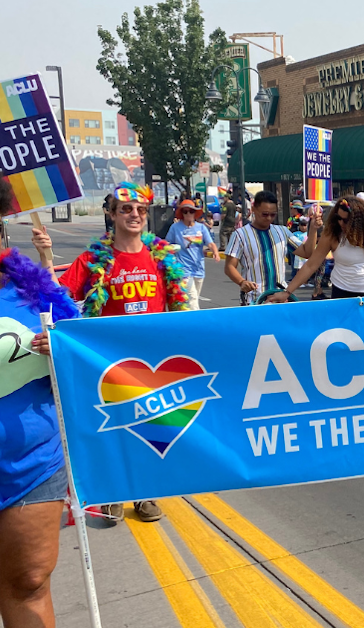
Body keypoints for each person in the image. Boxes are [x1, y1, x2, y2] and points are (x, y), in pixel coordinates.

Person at [43, 182, 192, 523]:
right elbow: (56, 296)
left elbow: (180, 307)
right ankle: (111, 493)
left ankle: (145, 494)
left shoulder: (162, 255)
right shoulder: (94, 259)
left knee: (152, 428)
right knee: (114, 429)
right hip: (107, 359)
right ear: (112, 215)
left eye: (140, 209)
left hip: (153, 359)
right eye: (126, 209)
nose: (135, 215)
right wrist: (46, 257)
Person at [0, 180, 81, 627]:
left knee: (29, 582)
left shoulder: (34, 294)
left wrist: (63, 350)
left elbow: (91, 362)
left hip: (30, 468)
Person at [270, 197, 364, 301]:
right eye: (338, 218)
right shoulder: (332, 234)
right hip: (343, 293)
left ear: (358, 220)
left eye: (345, 220)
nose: (341, 222)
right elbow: (311, 265)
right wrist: (287, 292)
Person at [224, 191, 319, 305]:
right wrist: (242, 282)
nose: (269, 218)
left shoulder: (282, 232)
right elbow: (229, 267)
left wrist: (313, 229)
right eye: (264, 214)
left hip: (281, 299)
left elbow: (306, 252)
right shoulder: (240, 235)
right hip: (254, 301)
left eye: (273, 214)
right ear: (253, 209)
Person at [166, 199, 220, 310]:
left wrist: (215, 252)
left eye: (191, 211)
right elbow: (167, 244)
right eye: (185, 212)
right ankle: (198, 322)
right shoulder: (175, 228)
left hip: (199, 268)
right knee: (193, 298)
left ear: (195, 213)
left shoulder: (201, 228)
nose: (188, 214)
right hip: (183, 269)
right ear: (182, 214)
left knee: (191, 298)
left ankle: (184, 319)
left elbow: (210, 242)